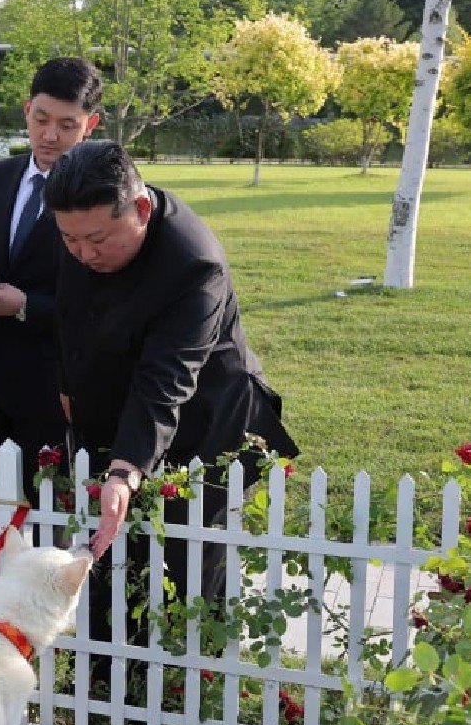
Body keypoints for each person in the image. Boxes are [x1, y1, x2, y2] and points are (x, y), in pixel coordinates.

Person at [47, 139, 299, 673]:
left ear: (140, 210)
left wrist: (125, 467)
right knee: (109, 557)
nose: (83, 254)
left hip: (203, 428)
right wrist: (71, 387)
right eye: (69, 240)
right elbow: (71, 315)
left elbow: (167, 379)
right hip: (121, 414)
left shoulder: (193, 263)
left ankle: (176, 688)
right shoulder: (82, 231)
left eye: (96, 240)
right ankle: (104, 680)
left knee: (183, 566)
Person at [0, 57, 102, 615]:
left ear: (90, 124)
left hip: (55, 381)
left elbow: (102, 298)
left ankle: (39, 628)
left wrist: (28, 307)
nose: (50, 135)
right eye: (41, 119)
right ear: (26, 110)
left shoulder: (100, 188)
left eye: (67, 124)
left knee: (45, 520)